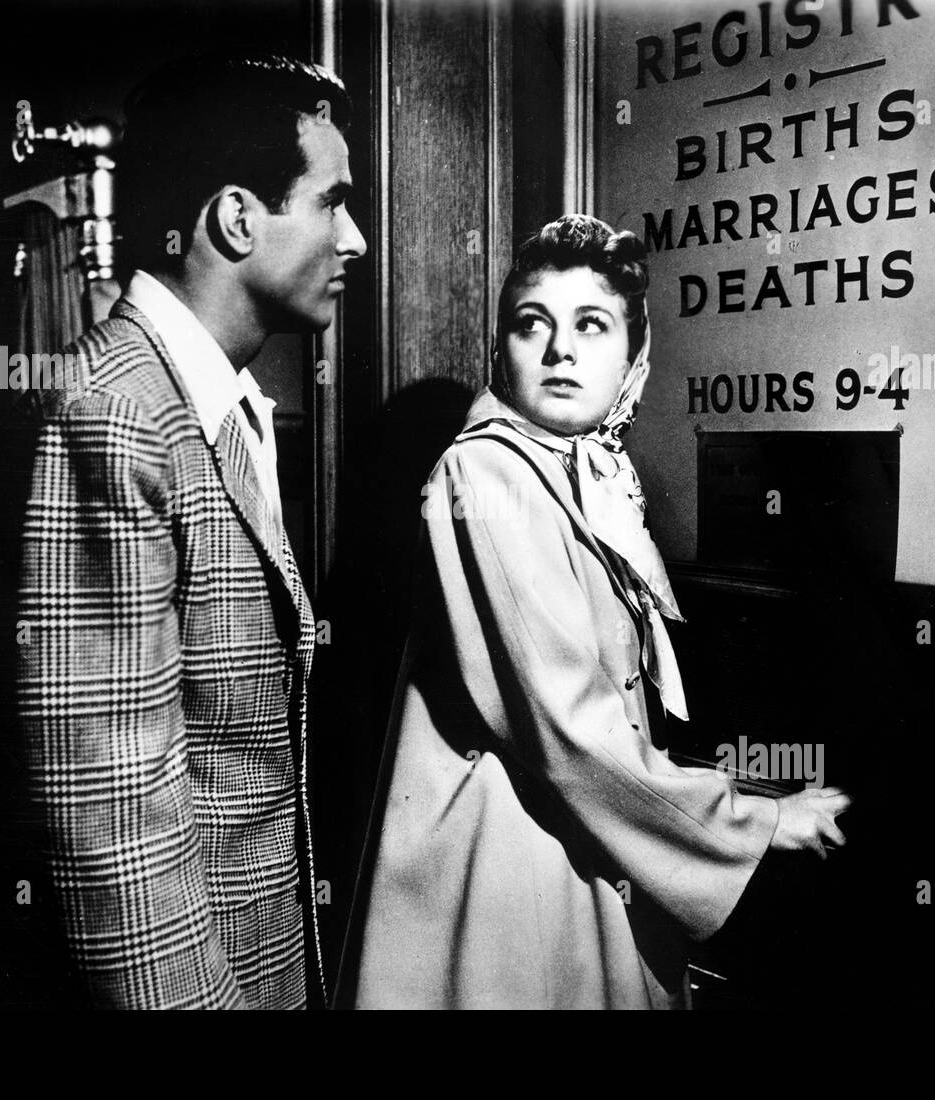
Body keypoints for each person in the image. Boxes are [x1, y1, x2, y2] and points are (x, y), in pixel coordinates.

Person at [337, 214, 849, 1009]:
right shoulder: (486, 475)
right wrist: (748, 821)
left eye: (592, 325)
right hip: (512, 866)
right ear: (501, 350)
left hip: (582, 843)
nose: (560, 351)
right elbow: (570, 725)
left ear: (632, 356)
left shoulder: (589, 476)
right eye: (530, 324)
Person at [14, 54, 366, 1009]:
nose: (358, 239)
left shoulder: (211, 399)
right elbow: (114, 822)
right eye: (332, 203)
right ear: (237, 219)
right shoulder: (118, 411)